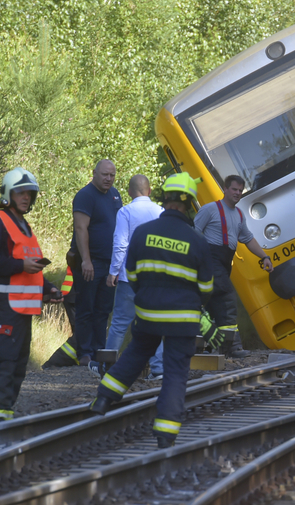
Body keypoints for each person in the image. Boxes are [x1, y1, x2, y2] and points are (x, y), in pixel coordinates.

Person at [89, 173, 214, 449]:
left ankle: (103, 399)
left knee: (134, 356)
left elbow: (131, 275)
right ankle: (165, 435)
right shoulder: (197, 241)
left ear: (166, 199)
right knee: (175, 372)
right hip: (182, 320)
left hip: (147, 314)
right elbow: (207, 287)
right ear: (188, 204)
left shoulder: (143, 234)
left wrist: (150, 296)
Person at [0, 168, 63, 424]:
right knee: (4, 361)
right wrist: (21, 266)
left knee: (17, 365)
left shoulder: (24, 226)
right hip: (3, 306)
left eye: (30, 193)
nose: (26, 197)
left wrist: (48, 289)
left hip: (22, 309)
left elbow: (31, 269)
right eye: (20, 192)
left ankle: (4, 417)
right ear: (8, 194)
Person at [193, 174, 273, 357]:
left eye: (240, 190)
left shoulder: (238, 215)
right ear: (225, 189)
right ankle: (233, 347)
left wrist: (264, 257)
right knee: (227, 299)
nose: (237, 193)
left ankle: (202, 347)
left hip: (223, 263)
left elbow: (248, 238)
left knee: (212, 305)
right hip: (209, 261)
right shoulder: (210, 210)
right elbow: (194, 234)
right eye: (234, 189)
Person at [104, 174, 165, 379]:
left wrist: (113, 272)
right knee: (156, 322)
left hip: (129, 278)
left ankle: (108, 366)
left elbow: (120, 244)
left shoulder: (125, 211)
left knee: (120, 323)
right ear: (149, 191)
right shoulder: (161, 211)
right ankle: (157, 369)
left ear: (130, 192)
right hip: (156, 279)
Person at [69, 159, 121, 371]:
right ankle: (85, 353)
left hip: (109, 264)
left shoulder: (115, 195)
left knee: (103, 310)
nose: (108, 179)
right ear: (94, 173)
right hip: (91, 263)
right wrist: (86, 260)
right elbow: (81, 229)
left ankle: (100, 352)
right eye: (105, 175)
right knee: (86, 308)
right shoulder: (85, 195)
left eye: (112, 175)